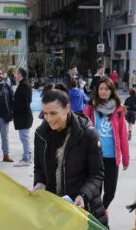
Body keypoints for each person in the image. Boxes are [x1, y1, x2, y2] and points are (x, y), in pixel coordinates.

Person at [32, 88, 105, 222]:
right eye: (45, 113)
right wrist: (40, 183)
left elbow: (97, 174)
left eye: (54, 113)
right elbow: (39, 168)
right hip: (53, 212)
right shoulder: (40, 135)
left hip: (84, 211)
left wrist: (83, 195)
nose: (49, 119)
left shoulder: (88, 134)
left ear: (67, 108)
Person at [83, 76, 130, 213]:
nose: (103, 92)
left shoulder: (118, 110)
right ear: (97, 90)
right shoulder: (91, 108)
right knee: (95, 190)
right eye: (101, 89)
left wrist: (126, 159)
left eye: (106, 89)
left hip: (111, 157)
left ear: (111, 91)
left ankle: (102, 210)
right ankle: (98, 214)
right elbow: (83, 129)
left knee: (110, 191)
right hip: (95, 156)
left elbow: (123, 136)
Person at [12, 68, 34, 167]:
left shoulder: (23, 86)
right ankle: (27, 156)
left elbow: (24, 103)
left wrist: (14, 109)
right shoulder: (24, 84)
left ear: (20, 75)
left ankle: (26, 159)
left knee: (24, 138)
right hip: (24, 115)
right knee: (25, 138)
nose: (15, 76)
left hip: (24, 116)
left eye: (16, 74)